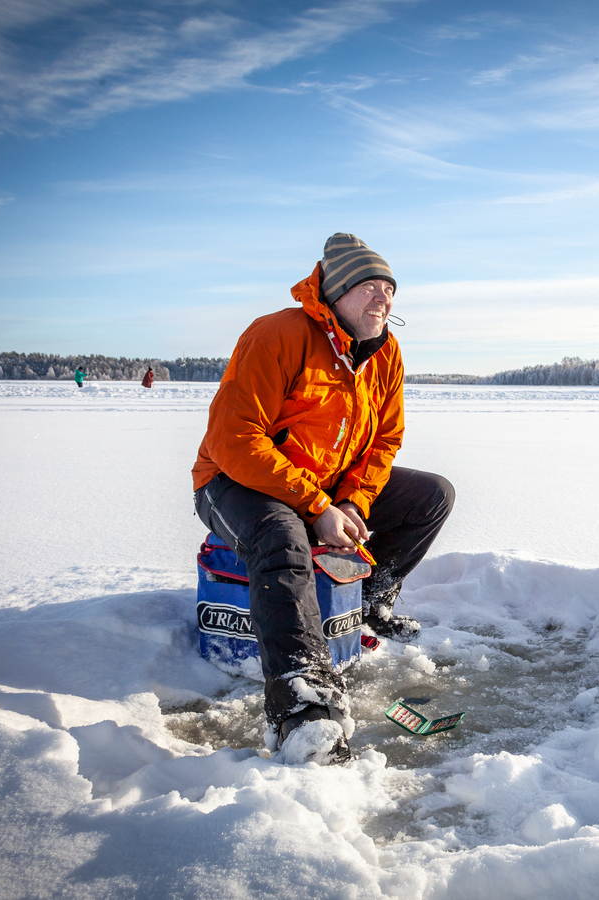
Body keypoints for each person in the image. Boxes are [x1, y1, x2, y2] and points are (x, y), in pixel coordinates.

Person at [192, 233, 454, 764]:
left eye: (389, 289)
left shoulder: (386, 354)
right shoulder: (277, 335)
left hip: (328, 488)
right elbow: (234, 438)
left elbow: (384, 441)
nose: (382, 298)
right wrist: (315, 507)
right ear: (334, 293)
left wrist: (354, 504)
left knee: (431, 495)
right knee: (281, 535)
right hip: (234, 481)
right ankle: (301, 701)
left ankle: (370, 602)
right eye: (368, 287)